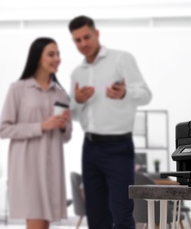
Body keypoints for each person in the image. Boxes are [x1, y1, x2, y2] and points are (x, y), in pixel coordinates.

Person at [68, 15, 152, 229]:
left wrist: (125, 92)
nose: (83, 44)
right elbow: (75, 115)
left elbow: (145, 94)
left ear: (96, 34)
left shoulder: (121, 59)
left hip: (118, 147)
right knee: (96, 215)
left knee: (121, 212)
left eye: (86, 37)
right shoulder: (77, 73)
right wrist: (77, 100)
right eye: (77, 40)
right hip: (90, 148)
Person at [0, 37, 72, 229]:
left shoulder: (61, 94)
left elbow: (66, 137)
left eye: (58, 54)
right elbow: (4, 129)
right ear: (37, 57)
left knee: (44, 225)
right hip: (27, 166)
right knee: (36, 223)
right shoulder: (18, 89)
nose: (57, 58)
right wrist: (41, 126)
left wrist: (63, 125)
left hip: (52, 167)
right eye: (51, 54)